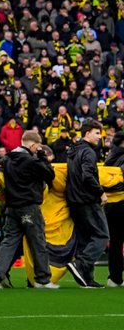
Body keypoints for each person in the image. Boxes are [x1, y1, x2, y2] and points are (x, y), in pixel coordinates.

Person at [0, 130, 57, 289]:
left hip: (11, 207)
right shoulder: (31, 161)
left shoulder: (7, 159)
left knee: (9, 241)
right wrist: (42, 157)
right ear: (33, 145)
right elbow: (50, 174)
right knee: (38, 241)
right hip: (29, 206)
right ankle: (43, 279)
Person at [66, 120, 110, 288]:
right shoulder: (88, 152)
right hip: (87, 199)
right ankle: (80, 264)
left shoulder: (73, 150)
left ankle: (86, 278)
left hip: (74, 200)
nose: (100, 137)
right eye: (97, 133)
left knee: (86, 239)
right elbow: (87, 176)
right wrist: (101, 192)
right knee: (102, 236)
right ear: (87, 134)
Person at [106, 134, 124, 287]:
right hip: (122, 202)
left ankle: (115, 277)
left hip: (111, 205)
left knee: (115, 242)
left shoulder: (110, 158)